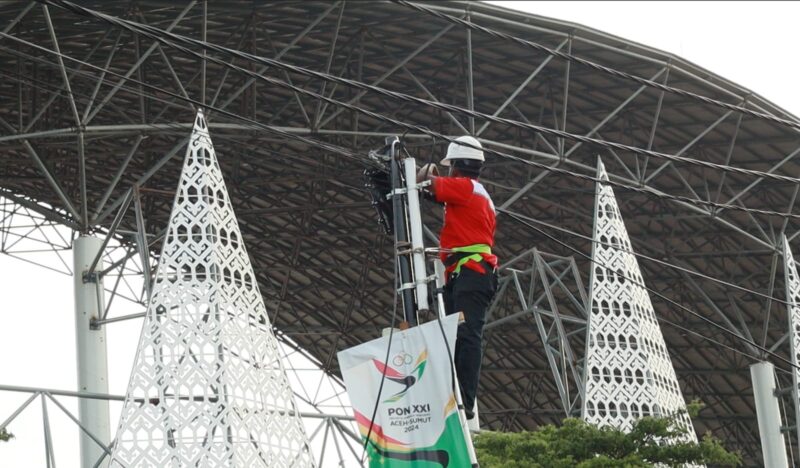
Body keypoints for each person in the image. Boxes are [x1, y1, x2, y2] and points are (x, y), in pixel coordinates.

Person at [418, 135, 498, 420]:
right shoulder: (474, 193)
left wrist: (421, 170)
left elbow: (427, 184)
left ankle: (465, 399)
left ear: (458, 166)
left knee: (466, 334)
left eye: (450, 166)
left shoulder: (466, 188)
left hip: (472, 271)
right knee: (455, 336)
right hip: (465, 273)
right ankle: (455, 393)